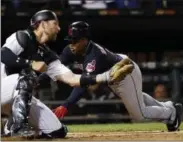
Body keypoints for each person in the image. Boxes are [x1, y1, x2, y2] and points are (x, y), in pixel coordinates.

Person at [1, 10, 130, 138]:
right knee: (27, 77)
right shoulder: (23, 36)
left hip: (19, 97)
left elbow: (72, 78)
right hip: (3, 87)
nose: (58, 28)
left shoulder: (47, 54)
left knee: (57, 131)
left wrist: (105, 77)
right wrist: (30, 64)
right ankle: (17, 128)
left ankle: (9, 125)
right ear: (43, 24)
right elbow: (3, 54)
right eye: (55, 23)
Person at [53, 21, 183, 132]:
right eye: (70, 40)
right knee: (139, 98)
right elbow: (55, 67)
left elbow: (83, 84)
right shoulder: (70, 50)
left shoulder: (95, 54)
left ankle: (170, 113)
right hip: (113, 76)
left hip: (125, 72)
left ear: (84, 40)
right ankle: (168, 107)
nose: (72, 44)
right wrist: (38, 77)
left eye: (75, 41)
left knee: (139, 114)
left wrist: (66, 104)